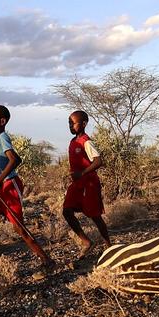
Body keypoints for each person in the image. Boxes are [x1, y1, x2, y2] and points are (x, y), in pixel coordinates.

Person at [0, 105, 56, 275]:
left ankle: (47, 260)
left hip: (9, 185)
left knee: (19, 228)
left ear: (2, 121)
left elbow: (15, 160)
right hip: (1, 187)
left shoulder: (3, 137)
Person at [62, 111, 111, 259]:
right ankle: (86, 242)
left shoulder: (86, 142)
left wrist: (82, 173)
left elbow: (98, 161)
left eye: (74, 123)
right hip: (77, 183)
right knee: (67, 211)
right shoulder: (73, 142)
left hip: (89, 183)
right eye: (69, 123)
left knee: (95, 216)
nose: (71, 126)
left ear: (83, 124)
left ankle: (109, 246)